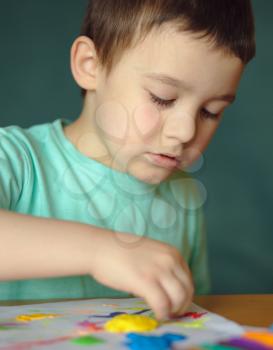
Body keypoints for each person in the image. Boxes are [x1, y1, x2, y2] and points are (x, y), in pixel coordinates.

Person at [0, 0, 255, 320]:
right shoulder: (16, 159)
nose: (185, 131)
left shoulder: (183, 195)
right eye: (163, 97)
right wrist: (100, 252)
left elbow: (193, 319)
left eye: (211, 112)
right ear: (90, 65)